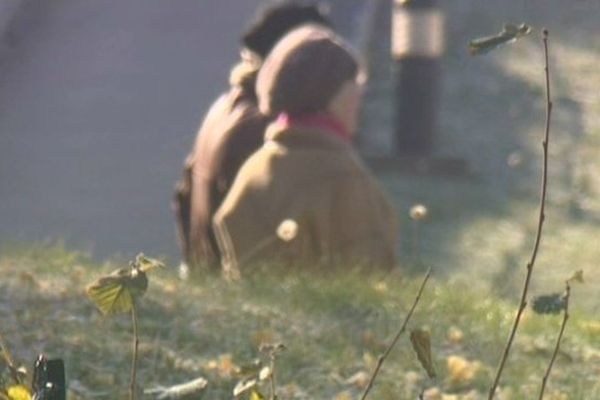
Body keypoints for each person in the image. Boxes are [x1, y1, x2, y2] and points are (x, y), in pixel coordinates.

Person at [213, 25, 398, 278]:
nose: (360, 93)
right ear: (332, 94)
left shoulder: (255, 169)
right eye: (354, 82)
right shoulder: (342, 177)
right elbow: (372, 280)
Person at [173, 1, 331, 274]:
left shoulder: (224, 107)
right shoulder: (264, 128)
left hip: (212, 278)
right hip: (238, 288)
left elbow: (183, 199)